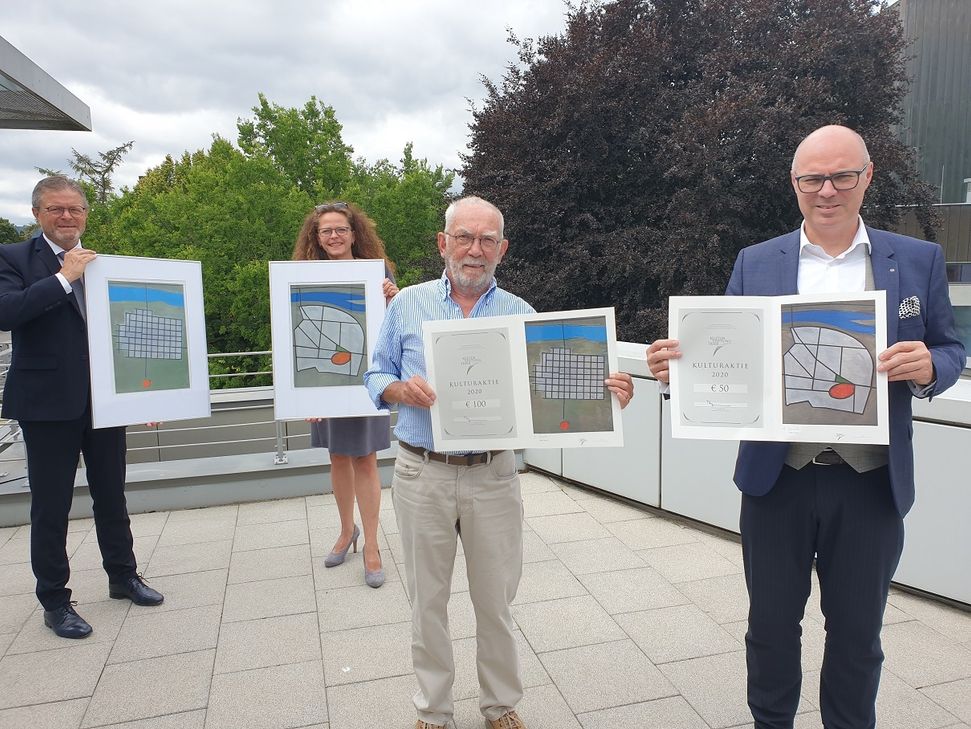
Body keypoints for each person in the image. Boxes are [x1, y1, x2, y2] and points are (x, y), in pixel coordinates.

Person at [646, 125, 965, 729]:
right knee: (769, 627)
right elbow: (727, 357)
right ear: (794, 185)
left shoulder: (915, 259)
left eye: (842, 175)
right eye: (812, 178)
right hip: (777, 480)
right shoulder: (757, 261)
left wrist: (931, 366)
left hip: (871, 483)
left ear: (867, 177)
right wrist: (677, 370)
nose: (827, 190)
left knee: (857, 634)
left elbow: (951, 350)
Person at [364, 196, 635, 729]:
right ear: (443, 244)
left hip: (493, 473)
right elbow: (374, 375)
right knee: (427, 604)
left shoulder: (522, 315)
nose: (475, 249)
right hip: (423, 470)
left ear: (502, 249)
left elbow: (548, 390)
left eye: (488, 240)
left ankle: (499, 706)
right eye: (464, 237)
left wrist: (605, 396)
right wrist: (399, 389)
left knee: (496, 602)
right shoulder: (407, 305)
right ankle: (433, 711)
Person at [0, 176, 164, 640]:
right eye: (56, 209)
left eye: (75, 209)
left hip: (105, 401)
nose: (67, 217)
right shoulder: (13, 258)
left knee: (112, 494)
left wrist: (147, 391)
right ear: (37, 214)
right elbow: (6, 312)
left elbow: (129, 332)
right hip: (47, 405)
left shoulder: (104, 265)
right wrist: (63, 278)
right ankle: (55, 600)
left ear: (86, 214)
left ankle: (123, 576)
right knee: (50, 507)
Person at [293, 201, 399, 588]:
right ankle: (345, 530)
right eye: (326, 231)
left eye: (340, 229)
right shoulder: (303, 276)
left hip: (367, 379)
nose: (334, 236)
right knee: (337, 457)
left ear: (355, 234)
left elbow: (393, 326)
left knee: (366, 461)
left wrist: (393, 297)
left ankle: (372, 546)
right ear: (316, 238)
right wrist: (301, 395)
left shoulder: (378, 273)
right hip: (326, 382)